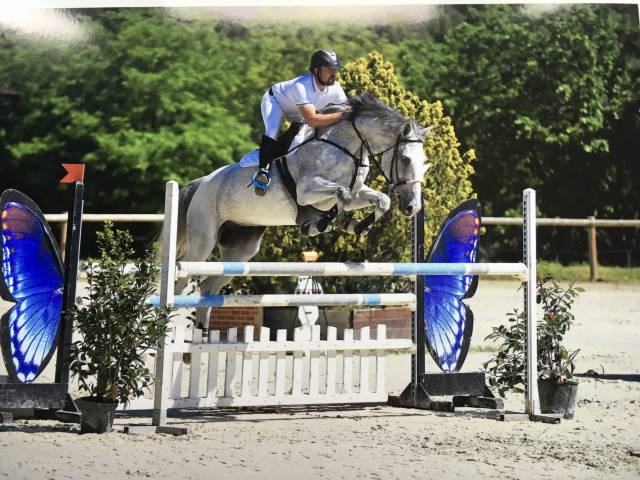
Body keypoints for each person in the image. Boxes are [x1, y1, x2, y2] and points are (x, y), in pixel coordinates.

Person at [251, 49, 349, 195]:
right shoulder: (302, 86)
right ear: (316, 70)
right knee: (273, 130)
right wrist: (341, 116)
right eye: (329, 69)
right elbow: (313, 120)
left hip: (298, 110)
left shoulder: (336, 88)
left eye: (335, 69)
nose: (334, 73)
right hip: (276, 101)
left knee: (298, 140)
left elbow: (348, 110)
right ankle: (263, 172)